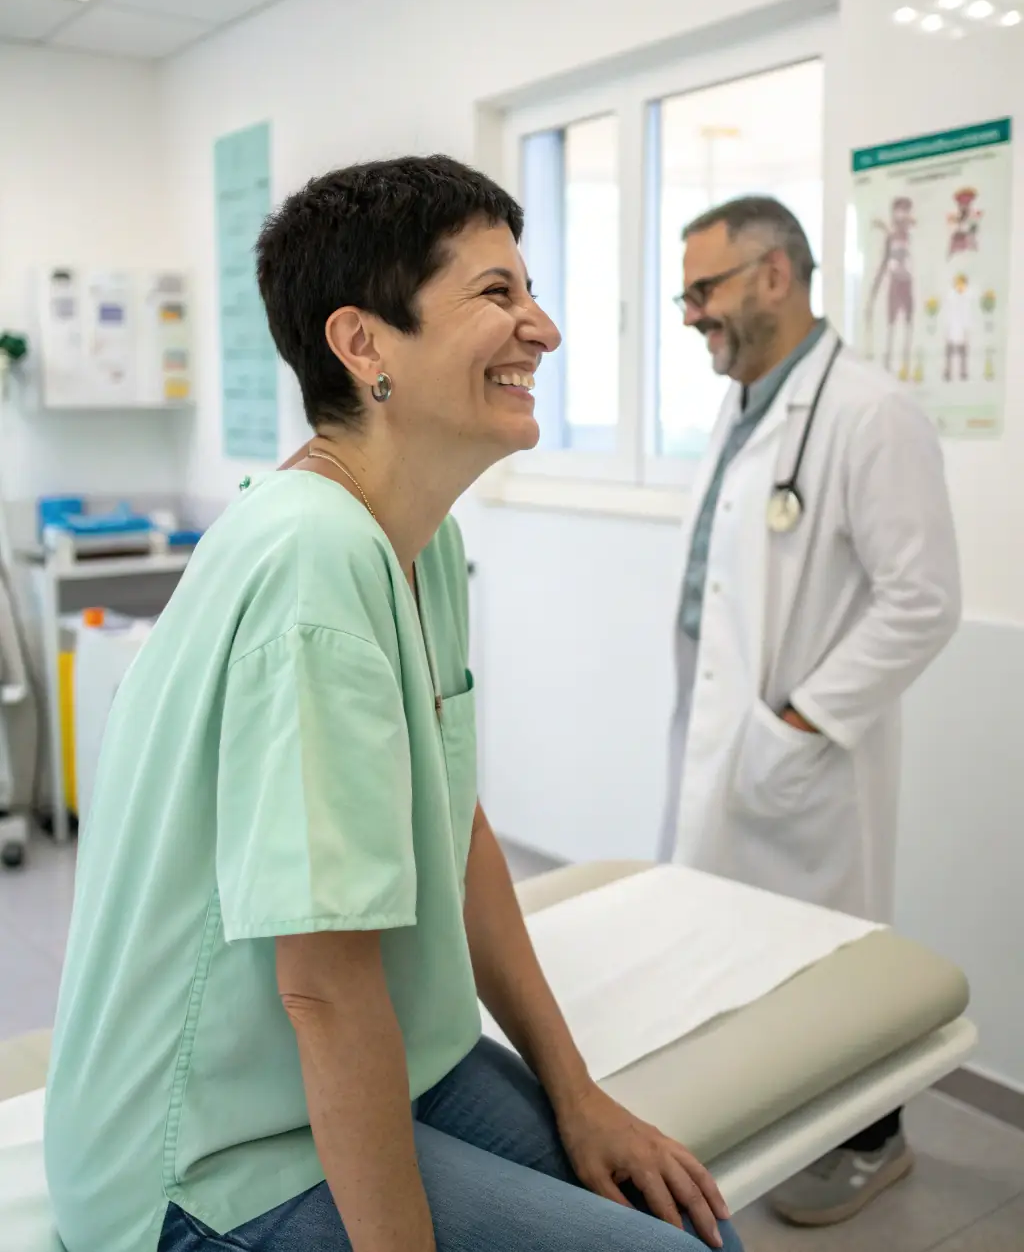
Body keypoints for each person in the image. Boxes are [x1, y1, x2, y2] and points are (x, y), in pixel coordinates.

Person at [45, 155, 740, 1252]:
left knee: (691, 1225)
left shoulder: (418, 540)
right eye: (496, 294)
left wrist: (579, 1094)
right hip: (208, 1156)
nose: (543, 328)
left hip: (386, 1064)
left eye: (531, 289)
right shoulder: (311, 558)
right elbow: (322, 990)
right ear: (363, 343)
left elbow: (454, 830)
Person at [661, 196, 961, 1228]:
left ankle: (874, 1144)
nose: (690, 313)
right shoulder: (745, 406)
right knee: (746, 957)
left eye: (704, 289)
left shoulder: (870, 412)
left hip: (805, 751)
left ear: (774, 277)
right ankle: (786, 1121)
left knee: (830, 963)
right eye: (685, 292)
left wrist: (799, 720)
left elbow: (922, 600)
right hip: (733, 731)